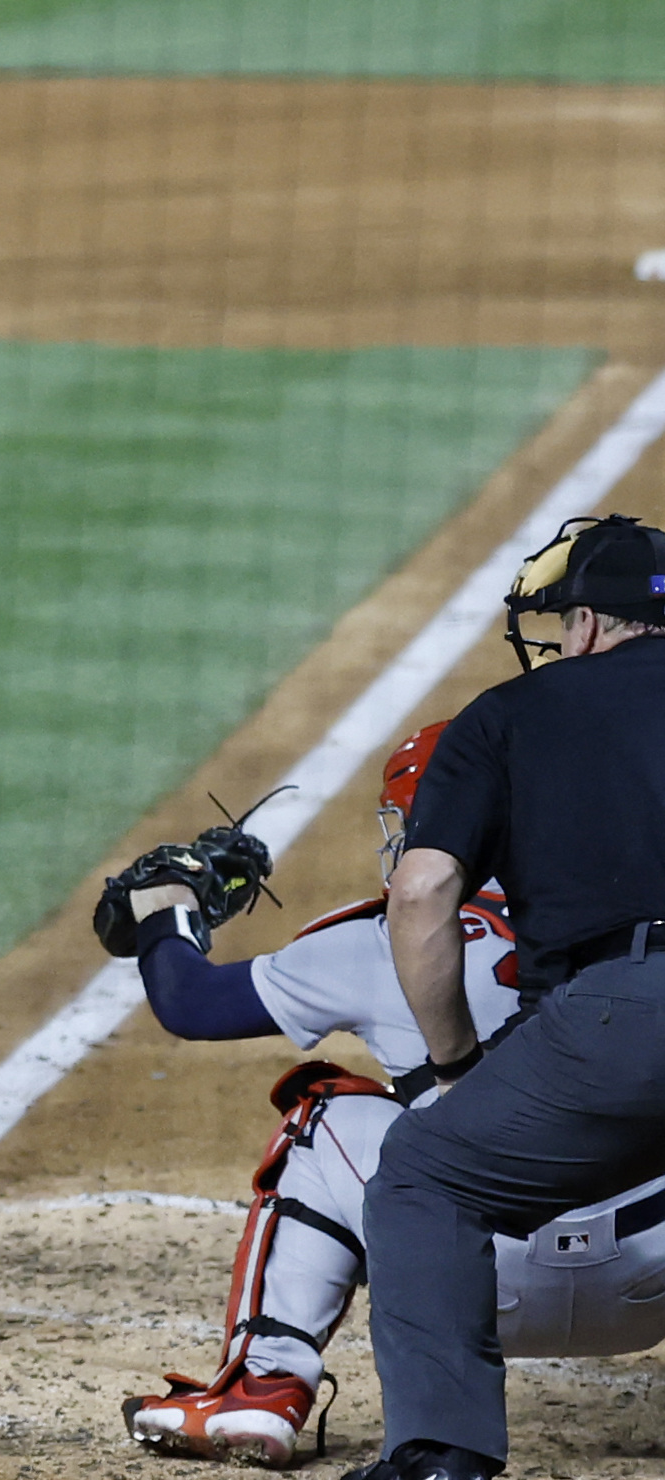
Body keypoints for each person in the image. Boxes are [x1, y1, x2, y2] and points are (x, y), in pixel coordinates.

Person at [104, 722, 665, 1469]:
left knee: (324, 1113)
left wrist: (169, 910)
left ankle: (262, 1391)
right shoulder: (641, 931)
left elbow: (191, 1004)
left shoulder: (382, 936)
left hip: (469, 1277)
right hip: (644, 1278)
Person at [349, 513, 665, 1480]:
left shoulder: (510, 713)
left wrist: (455, 1068)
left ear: (582, 625)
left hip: (619, 1022)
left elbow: (423, 891)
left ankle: (444, 1455)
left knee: (423, 1177)